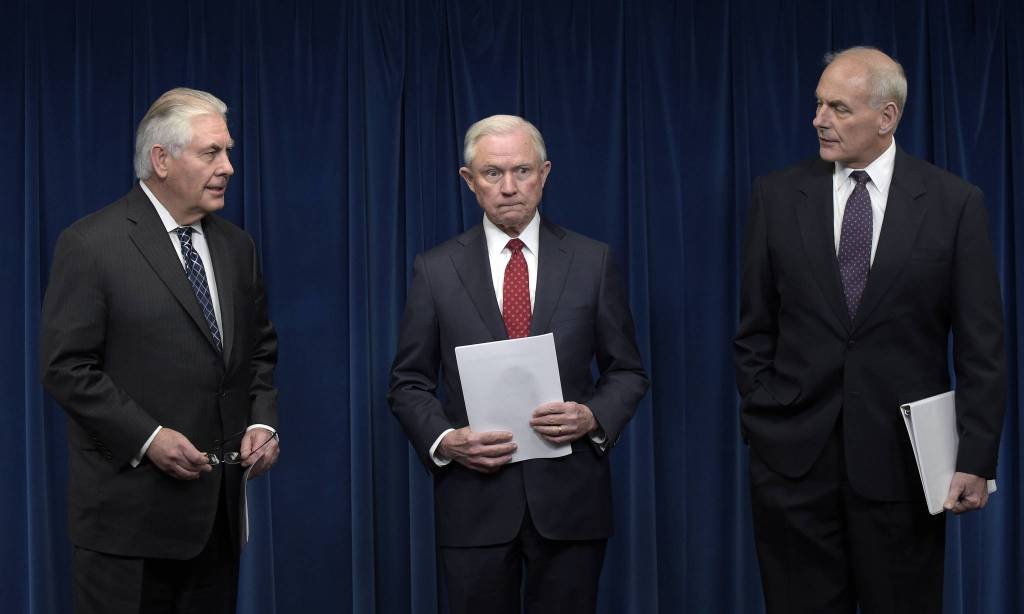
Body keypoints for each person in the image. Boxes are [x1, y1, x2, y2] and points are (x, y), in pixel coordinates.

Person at [734, 47, 1005, 613]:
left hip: (903, 472)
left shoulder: (954, 204)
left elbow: (982, 347)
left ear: (887, 117)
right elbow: (754, 330)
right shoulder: (777, 197)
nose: (819, 120)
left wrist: (975, 458)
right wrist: (766, 417)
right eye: (818, 104)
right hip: (793, 468)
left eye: (838, 108)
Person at [388, 115, 648, 613]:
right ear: (469, 181)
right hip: (473, 503)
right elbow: (408, 383)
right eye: (492, 173)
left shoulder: (593, 262)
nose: (509, 187)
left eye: (523, 171)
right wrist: (447, 441)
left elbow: (627, 372)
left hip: (571, 503)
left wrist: (593, 417)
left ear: (545, 174)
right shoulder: (435, 269)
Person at [40, 87, 280, 614]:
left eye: (229, 151)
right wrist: (148, 438)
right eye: (212, 152)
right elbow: (66, 368)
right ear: (162, 160)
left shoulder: (238, 247)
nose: (229, 167)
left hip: (216, 520)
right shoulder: (90, 244)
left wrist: (263, 421)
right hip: (127, 527)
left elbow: (259, 352)